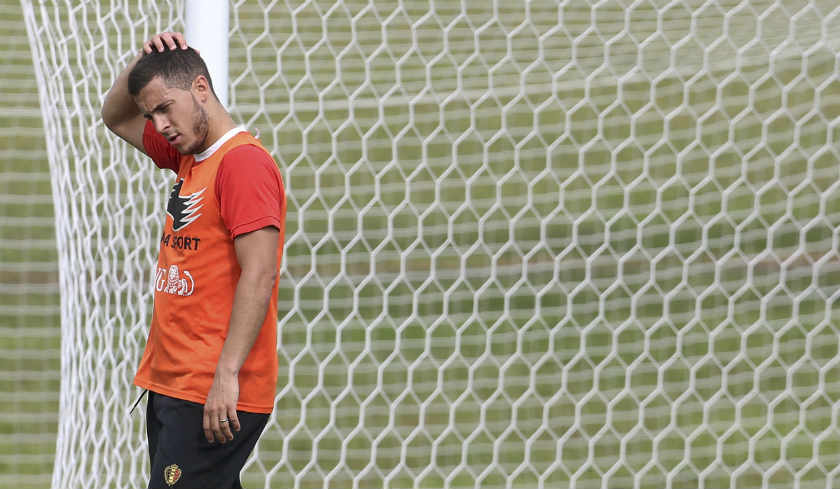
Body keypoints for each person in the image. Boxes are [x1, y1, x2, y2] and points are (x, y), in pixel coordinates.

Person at [101, 31, 286, 489]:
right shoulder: (190, 156)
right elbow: (114, 115)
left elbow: (259, 275)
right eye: (152, 114)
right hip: (171, 383)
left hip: (211, 390)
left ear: (201, 88)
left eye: (166, 107)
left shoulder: (241, 164)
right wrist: (144, 60)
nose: (160, 124)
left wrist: (225, 375)